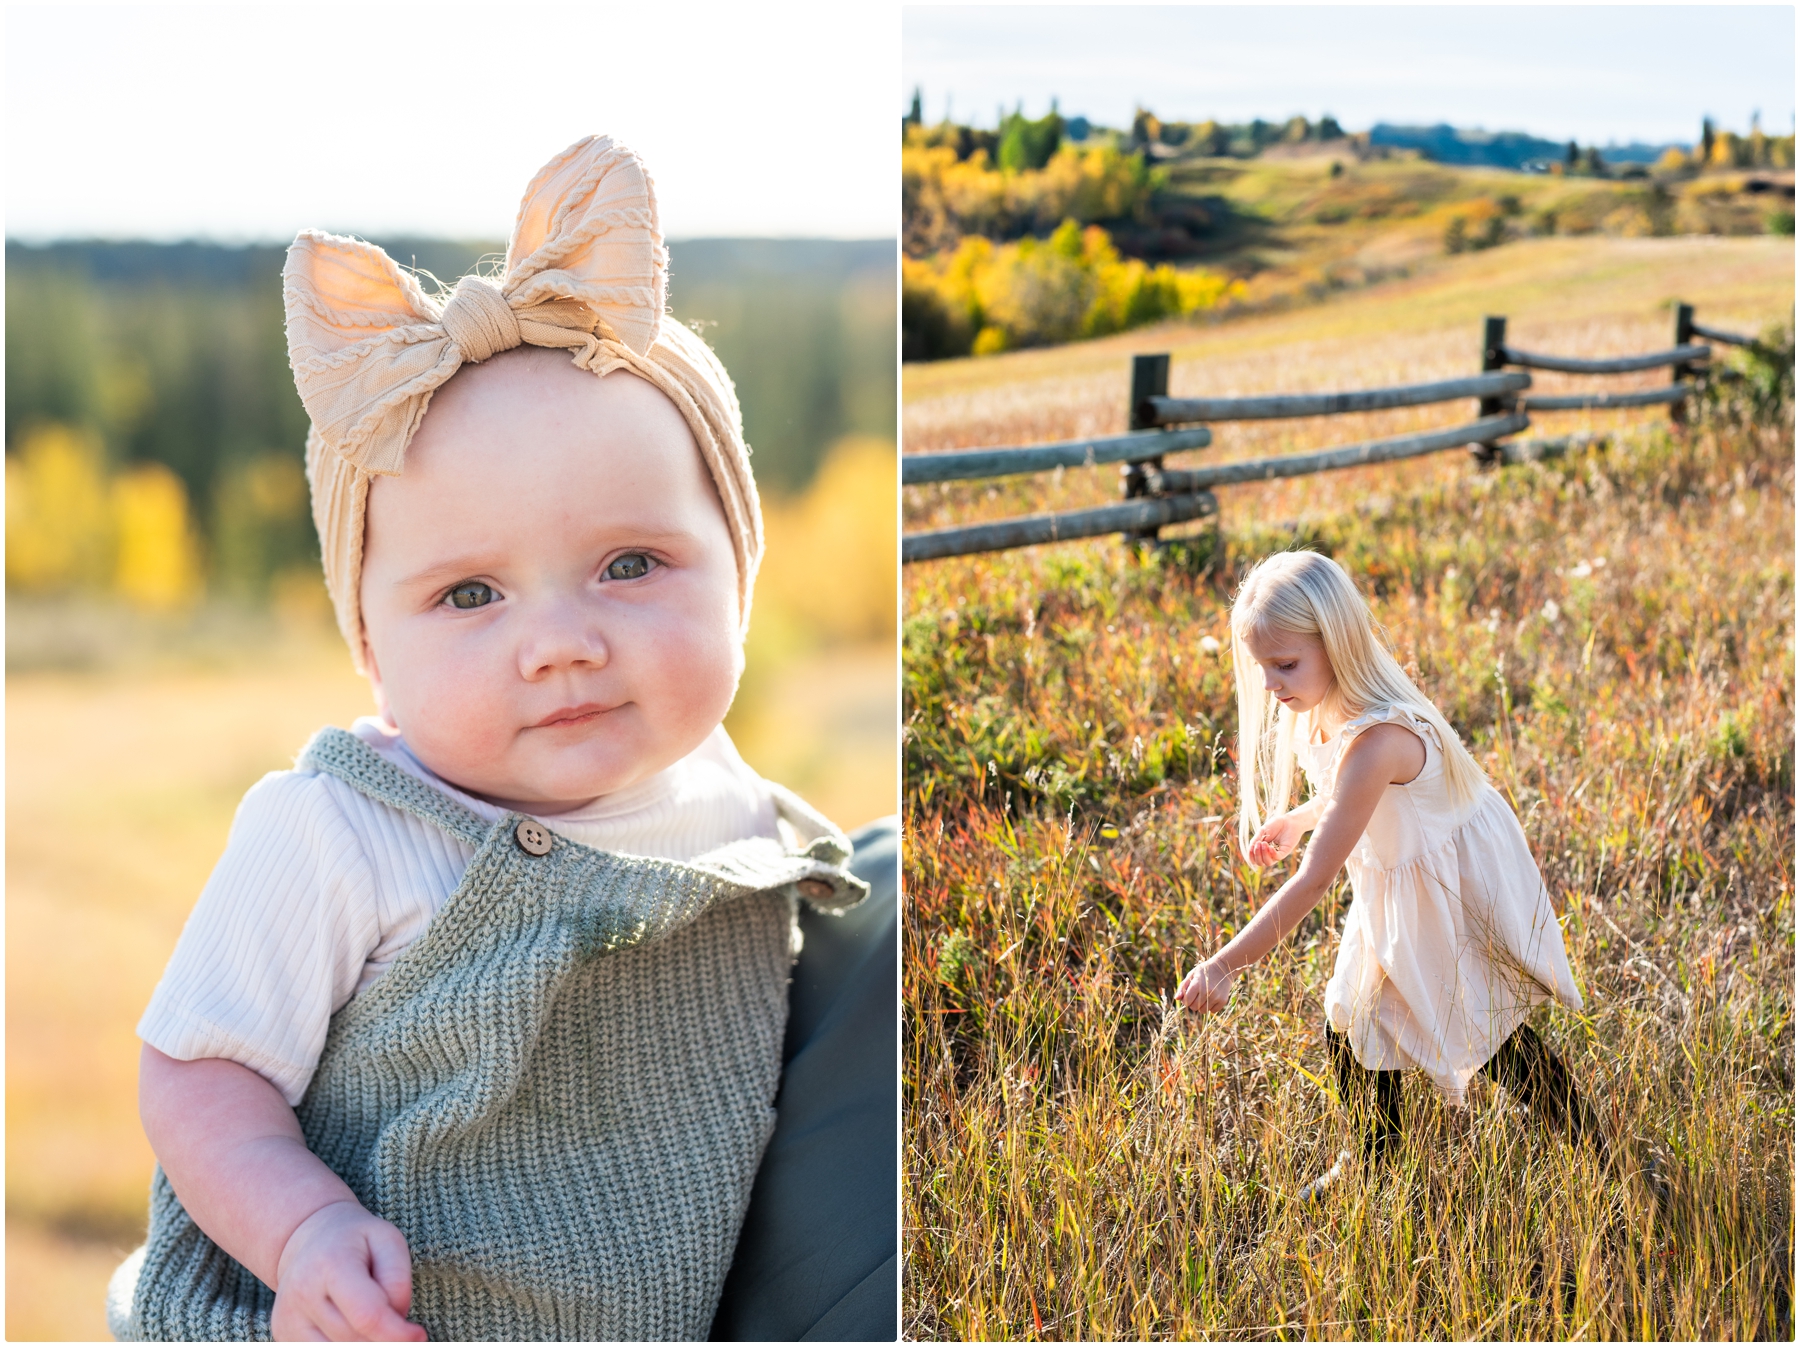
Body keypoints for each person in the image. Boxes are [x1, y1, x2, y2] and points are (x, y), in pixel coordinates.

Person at [107, 136, 895, 1341]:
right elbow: (199, 1075)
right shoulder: (342, 831)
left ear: (741, 577)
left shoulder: (749, 823)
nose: (560, 643)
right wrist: (302, 1231)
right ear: (369, 644)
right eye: (471, 596)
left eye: (631, 565)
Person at [1177, 550, 1605, 1198]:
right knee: (1353, 1021)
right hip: (1394, 882)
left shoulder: (1381, 738)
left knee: (1492, 1035)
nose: (1271, 684)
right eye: (1262, 666)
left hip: (1444, 894)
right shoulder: (1323, 710)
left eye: (1285, 664)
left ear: (1337, 644)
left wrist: (1227, 963)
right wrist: (1298, 818)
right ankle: (1375, 1162)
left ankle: (1604, 1160)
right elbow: (1344, 790)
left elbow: (1317, 879)